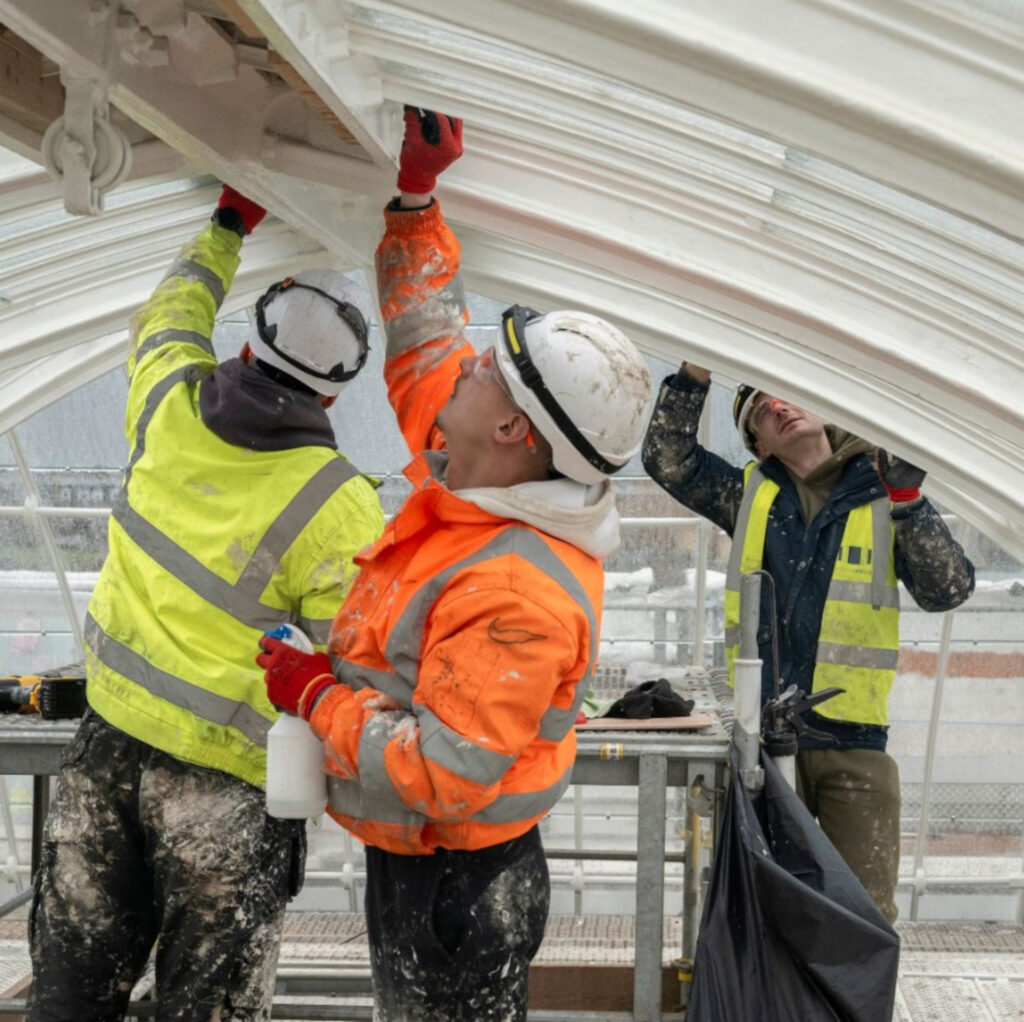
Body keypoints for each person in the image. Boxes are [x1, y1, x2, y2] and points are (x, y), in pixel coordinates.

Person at [257, 107, 654, 1021]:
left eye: (490, 372)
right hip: (430, 865)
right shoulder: (478, 464)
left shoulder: (515, 587)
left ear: (516, 429)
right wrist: (416, 198)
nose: (467, 365)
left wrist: (317, 693)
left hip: (460, 886)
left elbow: (439, 772)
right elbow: (428, 337)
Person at [28, 185, 385, 1021]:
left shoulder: (167, 401)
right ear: (335, 394)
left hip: (105, 754)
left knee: (73, 993)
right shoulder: (339, 503)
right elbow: (352, 666)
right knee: (208, 1006)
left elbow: (171, 311)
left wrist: (229, 223)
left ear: (251, 343)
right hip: (227, 793)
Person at [642, 362, 975, 922]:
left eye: (788, 392)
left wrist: (909, 501)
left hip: (855, 748)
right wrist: (695, 373)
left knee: (862, 920)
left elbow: (948, 589)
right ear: (759, 446)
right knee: (765, 915)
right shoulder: (748, 495)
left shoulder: (885, 489)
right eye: (759, 410)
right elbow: (667, 458)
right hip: (765, 749)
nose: (777, 404)